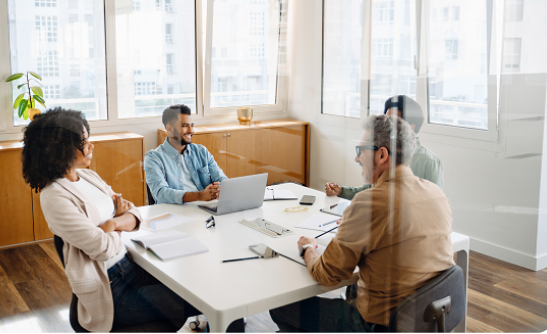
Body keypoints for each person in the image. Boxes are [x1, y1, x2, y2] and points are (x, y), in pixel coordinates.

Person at [21, 108, 243, 332]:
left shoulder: (88, 176)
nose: (91, 146)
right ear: (60, 149)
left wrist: (112, 224)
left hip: (133, 265)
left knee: (214, 285)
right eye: (84, 141)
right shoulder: (55, 196)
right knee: (218, 299)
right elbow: (102, 247)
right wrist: (118, 221)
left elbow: (135, 213)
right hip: (112, 287)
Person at [270, 115, 455, 333]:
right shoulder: (436, 193)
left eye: (361, 151)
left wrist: (308, 249)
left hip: (378, 325)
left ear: (382, 154)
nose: (357, 159)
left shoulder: (370, 202)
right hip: (425, 318)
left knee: (281, 308)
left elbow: (327, 275)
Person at [326, 95, 444, 200]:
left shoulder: (429, 162)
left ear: (411, 127)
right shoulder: (383, 152)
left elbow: (434, 206)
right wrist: (341, 191)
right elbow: (370, 190)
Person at [145, 104, 228, 205]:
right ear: (170, 129)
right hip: (173, 212)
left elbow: (222, 179)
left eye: (192, 125)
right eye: (185, 126)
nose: (190, 130)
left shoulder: (201, 151)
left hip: (204, 207)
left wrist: (218, 188)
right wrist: (199, 196)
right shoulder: (153, 158)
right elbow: (160, 193)